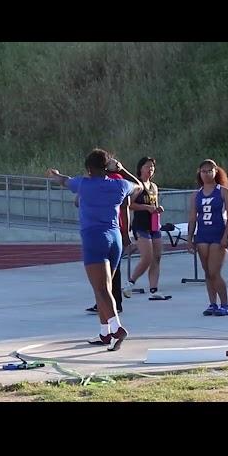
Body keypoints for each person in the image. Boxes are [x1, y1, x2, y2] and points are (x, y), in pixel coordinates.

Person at [46, 148, 142, 351]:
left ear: (88, 169)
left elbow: (65, 180)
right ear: (107, 167)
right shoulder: (120, 184)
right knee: (103, 289)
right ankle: (105, 333)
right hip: (114, 238)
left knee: (101, 289)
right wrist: (122, 170)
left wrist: (55, 175)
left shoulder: (84, 184)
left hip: (94, 237)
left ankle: (117, 328)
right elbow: (140, 187)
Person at [186, 159, 228, 316]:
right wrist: (189, 238)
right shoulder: (196, 195)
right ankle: (212, 303)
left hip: (218, 235)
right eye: (203, 171)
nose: (206, 174)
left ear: (215, 172)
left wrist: (226, 236)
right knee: (207, 273)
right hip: (202, 236)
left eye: (209, 171)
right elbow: (193, 217)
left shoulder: (224, 192)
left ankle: (225, 304)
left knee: (215, 272)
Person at [122, 156, 171, 300]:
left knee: (157, 257)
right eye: (147, 166)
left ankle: (154, 289)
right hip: (141, 225)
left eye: (152, 167)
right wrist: (146, 208)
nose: (150, 169)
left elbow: (153, 204)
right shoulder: (137, 185)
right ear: (140, 168)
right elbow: (129, 205)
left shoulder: (154, 186)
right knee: (147, 257)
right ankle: (130, 283)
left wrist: (157, 209)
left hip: (154, 225)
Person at [84, 171, 132, 314]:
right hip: (114, 232)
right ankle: (110, 304)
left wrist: (126, 232)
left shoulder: (115, 180)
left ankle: (110, 305)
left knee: (105, 274)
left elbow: (125, 207)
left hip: (102, 232)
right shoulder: (117, 181)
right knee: (110, 272)